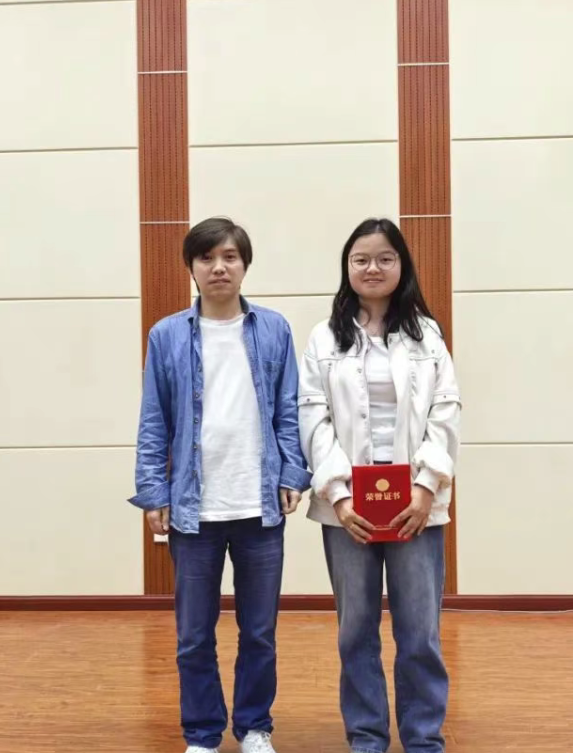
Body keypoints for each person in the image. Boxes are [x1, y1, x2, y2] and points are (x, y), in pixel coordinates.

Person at [129, 217, 311, 753]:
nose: (219, 267)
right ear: (191, 267)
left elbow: (288, 410)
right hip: (194, 508)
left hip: (259, 504)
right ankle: (203, 735)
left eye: (230, 256)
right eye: (207, 258)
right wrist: (154, 491)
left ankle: (254, 728)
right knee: (193, 636)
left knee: (259, 632)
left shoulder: (273, 329)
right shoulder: (166, 335)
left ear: (244, 265)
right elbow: (154, 419)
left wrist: (292, 473)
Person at [298, 218, 461, 753]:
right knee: (355, 630)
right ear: (347, 267)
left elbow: (446, 411)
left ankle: (423, 738)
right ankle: (367, 737)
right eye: (361, 259)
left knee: (420, 630)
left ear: (401, 266)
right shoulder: (324, 337)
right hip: (348, 509)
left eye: (385, 258)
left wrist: (426, 486)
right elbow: (313, 417)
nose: (373, 268)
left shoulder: (427, 335)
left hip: (416, 504)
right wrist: (339, 495)